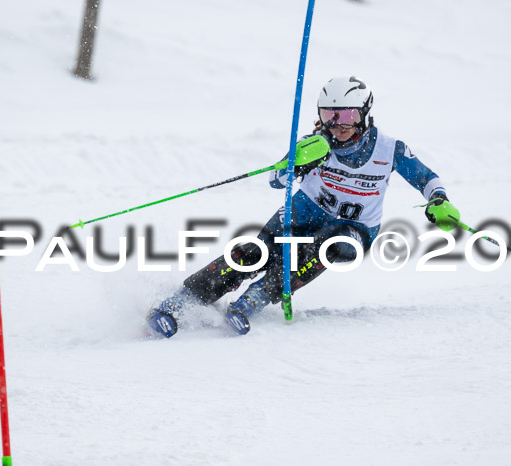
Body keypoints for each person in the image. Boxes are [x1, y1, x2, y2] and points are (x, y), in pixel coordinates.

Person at [146, 76, 460, 338]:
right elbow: (276, 180)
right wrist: (293, 167)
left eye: (347, 116)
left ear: (364, 114)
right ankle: (178, 303)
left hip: (355, 228)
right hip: (305, 211)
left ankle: (255, 298)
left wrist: (438, 200)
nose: (337, 125)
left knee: (333, 243)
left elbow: (426, 178)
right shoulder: (315, 144)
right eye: (329, 115)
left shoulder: (390, 149)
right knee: (254, 252)